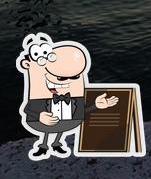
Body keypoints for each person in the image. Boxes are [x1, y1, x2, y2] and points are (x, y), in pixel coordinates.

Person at [16, 32, 119, 160]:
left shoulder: (74, 98)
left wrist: (96, 106)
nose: (65, 81)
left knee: (60, 127)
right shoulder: (39, 95)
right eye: (60, 77)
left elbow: (81, 111)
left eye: (75, 77)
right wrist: (39, 116)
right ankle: (43, 146)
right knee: (49, 127)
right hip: (43, 123)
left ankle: (56, 143)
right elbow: (27, 109)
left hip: (66, 123)